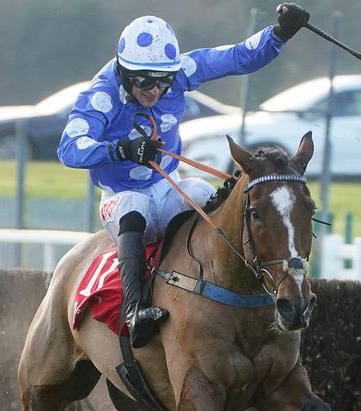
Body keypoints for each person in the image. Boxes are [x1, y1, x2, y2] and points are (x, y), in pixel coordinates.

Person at [58, 4, 310, 348]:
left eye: (163, 81)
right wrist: (122, 149)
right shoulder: (101, 95)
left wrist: (279, 34)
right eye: (145, 81)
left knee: (202, 192)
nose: (155, 90)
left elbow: (237, 57)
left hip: (167, 186)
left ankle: (247, 289)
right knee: (134, 205)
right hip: (120, 196)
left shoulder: (178, 72)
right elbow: (69, 148)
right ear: (124, 71)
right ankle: (134, 310)